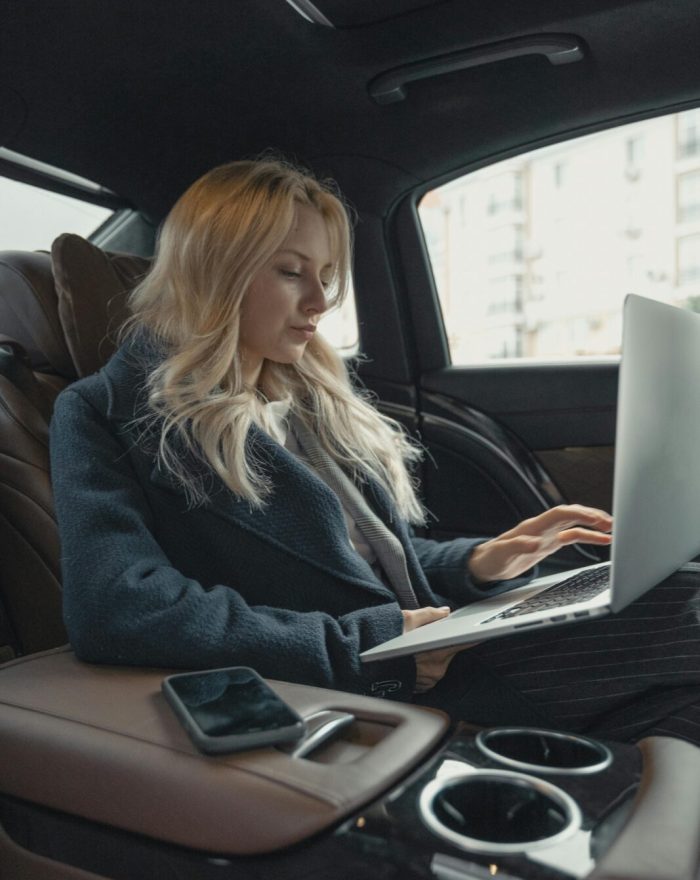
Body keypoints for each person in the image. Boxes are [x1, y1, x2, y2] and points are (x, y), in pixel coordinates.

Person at [50, 158, 700, 745]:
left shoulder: (303, 401)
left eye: (327, 277)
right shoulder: (108, 413)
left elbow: (362, 556)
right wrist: (368, 646)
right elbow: (119, 607)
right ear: (214, 270)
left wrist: (478, 561)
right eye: (290, 272)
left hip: (448, 638)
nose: (320, 302)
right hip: (387, 677)